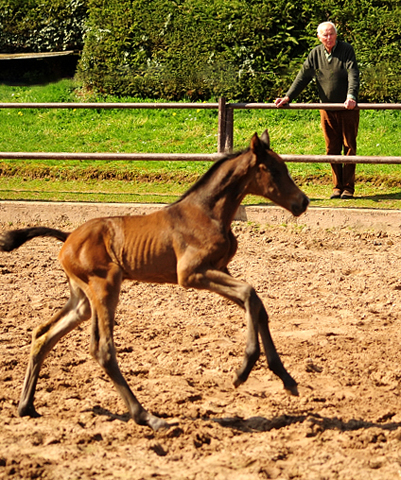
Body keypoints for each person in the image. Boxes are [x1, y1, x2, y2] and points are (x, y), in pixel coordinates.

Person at [275, 21, 360, 199]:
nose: (329, 38)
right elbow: (303, 76)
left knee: (349, 146)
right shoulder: (315, 53)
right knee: (331, 148)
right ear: (319, 37)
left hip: (347, 108)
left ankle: (348, 188)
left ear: (336, 35)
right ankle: (337, 186)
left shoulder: (346, 50)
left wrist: (351, 95)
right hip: (326, 108)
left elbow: (353, 73)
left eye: (331, 34)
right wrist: (288, 97)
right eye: (325, 35)